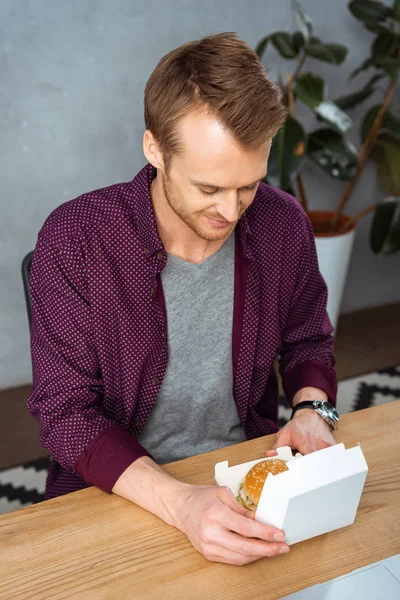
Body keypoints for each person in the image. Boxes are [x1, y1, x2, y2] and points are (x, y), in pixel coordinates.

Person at [27, 32, 338, 566]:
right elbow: (66, 415)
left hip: (246, 473)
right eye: (208, 188)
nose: (232, 210)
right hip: (119, 490)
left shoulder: (282, 223)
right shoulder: (76, 240)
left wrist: (313, 411)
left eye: (249, 186)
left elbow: (308, 336)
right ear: (155, 149)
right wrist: (182, 504)